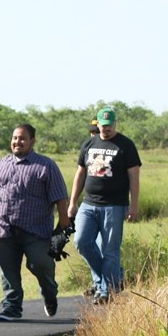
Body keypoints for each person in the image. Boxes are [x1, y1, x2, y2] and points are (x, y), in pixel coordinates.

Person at [0, 123, 70, 321]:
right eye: (15, 138)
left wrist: (63, 225)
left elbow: (60, 197)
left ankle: (50, 293)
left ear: (32, 141)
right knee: (8, 271)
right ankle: (11, 308)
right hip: (4, 229)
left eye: (22, 138)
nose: (17, 142)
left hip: (35, 231)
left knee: (41, 265)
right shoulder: (1, 165)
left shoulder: (45, 166)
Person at [67, 107, 141, 305]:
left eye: (109, 125)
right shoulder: (89, 143)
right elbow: (80, 173)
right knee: (81, 242)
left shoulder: (126, 145)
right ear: (97, 124)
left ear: (115, 124)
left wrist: (134, 205)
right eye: (103, 125)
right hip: (89, 203)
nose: (106, 129)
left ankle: (106, 290)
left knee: (110, 250)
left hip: (114, 206)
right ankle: (108, 281)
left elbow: (134, 176)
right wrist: (73, 202)